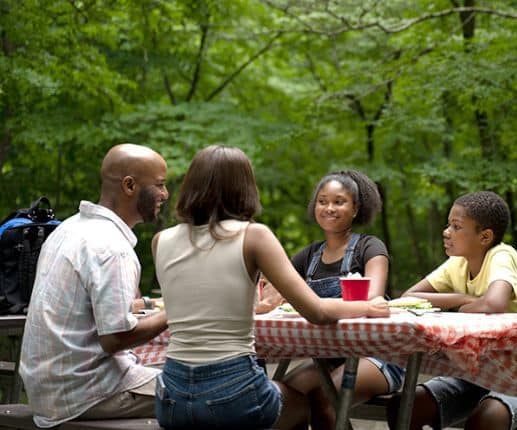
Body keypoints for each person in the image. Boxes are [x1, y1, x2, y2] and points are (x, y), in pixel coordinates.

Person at [152, 146, 389, 430]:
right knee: (300, 404)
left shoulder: (160, 240)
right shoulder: (255, 236)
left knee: (292, 390)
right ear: (244, 188)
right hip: (232, 393)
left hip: (171, 397)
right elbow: (318, 313)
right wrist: (367, 306)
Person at [387, 191, 517, 430]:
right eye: (448, 224)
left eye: (456, 226)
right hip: (484, 369)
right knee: (406, 406)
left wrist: (463, 304)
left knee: (488, 418)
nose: (446, 232)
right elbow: (409, 298)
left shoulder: (502, 255)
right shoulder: (457, 263)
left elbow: (494, 304)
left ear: (484, 237)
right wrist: (463, 298)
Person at [19, 144, 170, 428]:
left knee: (174, 370)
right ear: (129, 185)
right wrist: (177, 310)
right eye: (160, 185)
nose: (165, 194)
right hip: (84, 395)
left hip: (47, 391)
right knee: (209, 395)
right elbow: (114, 339)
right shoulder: (112, 248)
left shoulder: (68, 229)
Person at [277, 170, 405, 430]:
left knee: (326, 398)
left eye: (339, 202)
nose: (329, 208)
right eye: (322, 201)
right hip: (329, 357)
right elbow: (274, 294)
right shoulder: (308, 256)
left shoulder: (370, 247)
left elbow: (372, 300)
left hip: (378, 355)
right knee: (283, 396)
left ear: (355, 209)